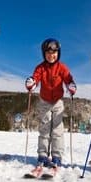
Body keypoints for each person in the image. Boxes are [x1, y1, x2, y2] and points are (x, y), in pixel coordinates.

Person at [25, 38, 77, 168]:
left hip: (58, 102)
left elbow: (68, 78)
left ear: (58, 53)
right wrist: (32, 82)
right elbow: (35, 77)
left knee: (57, 130)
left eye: (54, 52)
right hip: (44, 101)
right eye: (48, 53)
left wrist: (71, 85)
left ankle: (56, 156)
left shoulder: (62, 67)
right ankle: (42, 154)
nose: (51, 55)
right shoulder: (41, 67)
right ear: (44, 54)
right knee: (44, 128)